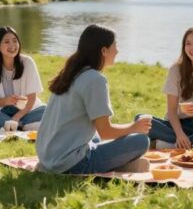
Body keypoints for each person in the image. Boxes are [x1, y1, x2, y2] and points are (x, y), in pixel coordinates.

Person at [35, 24, 151, 174]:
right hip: (70, 163)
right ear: (104, 50)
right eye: (115, 45)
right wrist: (135, 127)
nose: (118, 50)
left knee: (94, 137)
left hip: (48, 156)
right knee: (141, 141)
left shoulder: (71, 73)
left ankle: (119, 165)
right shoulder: (95, 80)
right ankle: (120, 166)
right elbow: (106, 132)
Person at [0, 26, 47, 130]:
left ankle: (12, 125)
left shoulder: (27, 63)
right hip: (3, 112)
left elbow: (32, 99)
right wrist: (7, 101)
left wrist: (16, 118)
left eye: (15, 41)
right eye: (7, 42)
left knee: (47, 110)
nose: (12, 45)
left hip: (27, 111)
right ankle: (21, 126)